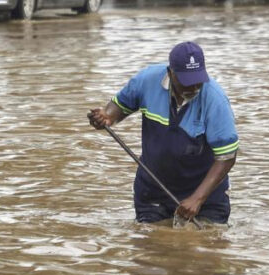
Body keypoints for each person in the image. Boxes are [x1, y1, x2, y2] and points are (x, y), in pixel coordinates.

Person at [88, 42, 239, 225]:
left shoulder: (215, 99)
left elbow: (227, 156)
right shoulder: (147, 80)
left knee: (204, 247)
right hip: (154, 190)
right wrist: (106, 117)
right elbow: (119, 106)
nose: (193, 88)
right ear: (170, 72)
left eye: (197, 81)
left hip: (205, 196)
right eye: (186, 82)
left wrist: (197, 199)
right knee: (154, 247)